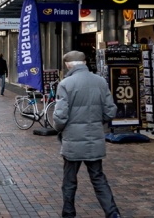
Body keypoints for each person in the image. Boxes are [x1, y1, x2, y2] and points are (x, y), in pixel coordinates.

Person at [53, 50, 120, 218]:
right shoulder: (100, 82)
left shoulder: (66, 84)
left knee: (69, 180)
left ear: (68, 65)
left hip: (72, 139)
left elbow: (60, 116)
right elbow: (110, 110)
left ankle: (68, 213)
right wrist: (98, 122)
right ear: (84, 63)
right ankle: (112, 213)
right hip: (94, 138)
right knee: (98, 178)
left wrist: (59, 129)